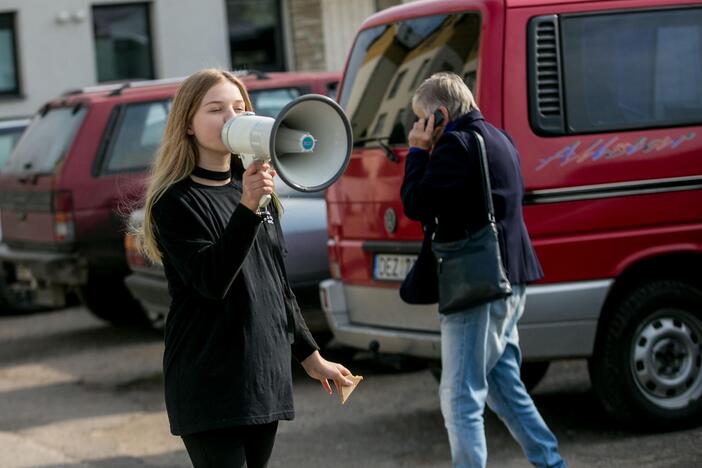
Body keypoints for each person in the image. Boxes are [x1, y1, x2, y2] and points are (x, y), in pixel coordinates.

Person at [138, 68, 354, 468]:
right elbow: (211, 280)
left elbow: (276, 283)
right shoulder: (175, 201)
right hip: (209, 379)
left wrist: (310, 355)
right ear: (187, 123)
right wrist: (248, 208)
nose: (231, 117)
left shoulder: (253, 190)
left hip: (260, 376)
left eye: (239, 107)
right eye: (216, 109)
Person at [401, 72, 566, 468]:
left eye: (421, 118)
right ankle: (549, 461)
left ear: (439, 115)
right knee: (501, 383)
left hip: (475, 285)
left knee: (459, 396)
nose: (417, 127)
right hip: (510, 277)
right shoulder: (498, 137)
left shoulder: (454, 146)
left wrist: (418, 152)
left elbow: (416, 203)